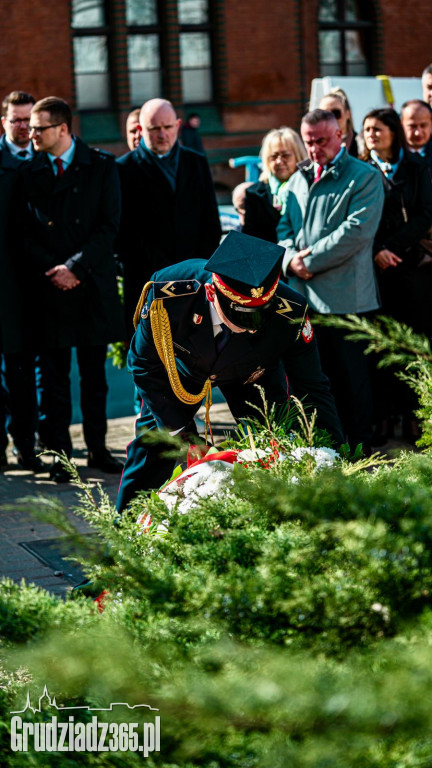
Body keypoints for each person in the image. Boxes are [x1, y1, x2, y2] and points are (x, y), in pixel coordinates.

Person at [116, 231, 344, 512]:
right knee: (153, 446)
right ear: (211, 293)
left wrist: (337, 455)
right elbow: (143, 364)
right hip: (182, 372)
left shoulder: (291, 313)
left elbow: (313, 387)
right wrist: (183, 433)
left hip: (252, 375)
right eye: (241, 315)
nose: (252, 327)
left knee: (275, 445)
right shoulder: (171, 293)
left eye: (260, 315)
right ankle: (125, 527)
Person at [19, 96, 125, 481]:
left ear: (62, 129)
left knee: (94, 376)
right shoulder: (29, 171)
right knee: (52, 380)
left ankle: (98, 449)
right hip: (49, 287)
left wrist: (75, 267)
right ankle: (60, 456)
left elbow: (109, 227)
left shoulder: (101, 165)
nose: (30, 134)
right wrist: (56, 270)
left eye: (38, 128)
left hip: (91, 284)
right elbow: (24, 232)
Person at [277, 108, 384, 453]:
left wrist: (306, 261)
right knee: (313, 383)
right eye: (308, 142)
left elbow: (356, 232)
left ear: (341, 135)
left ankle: (360, 450)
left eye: (321, 141)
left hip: (347, 298)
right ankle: (325, 449)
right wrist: (289, 259)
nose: (314, 149)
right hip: (304, 299)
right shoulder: (298, 178)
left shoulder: (364, 176)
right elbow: (284, 226)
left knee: (352, 383)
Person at [116, 98, 221, 339]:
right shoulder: (122, 169)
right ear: (141, 129)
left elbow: (210, 222)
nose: (162, 134)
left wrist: (195, 269)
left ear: (178, 126)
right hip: (147, 284)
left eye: (167, 127)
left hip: (195, 282)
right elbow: (125, 232)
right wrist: (167, 272)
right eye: (155, 128)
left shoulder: (196, 162)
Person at [362, 107, 432, 443]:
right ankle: (385, 418)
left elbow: (425, 214)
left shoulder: (416, 167)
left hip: (411, 266)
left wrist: (392, 247)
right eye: (366, 130)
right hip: (375, 269)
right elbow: (360, 218)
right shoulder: (362, 168)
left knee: (412, 343)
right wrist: (377, 249)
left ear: (393, 132)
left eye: (377, 129)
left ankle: (414, 415)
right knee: (380, 345)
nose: (371, 135)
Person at [0, 90, 42, 472]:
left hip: (37, 287)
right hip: (3, 287)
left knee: (25, 375)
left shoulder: (47, 159)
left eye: (30, 120)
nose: (24, 127)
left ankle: (27, 447)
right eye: (17, 120)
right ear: (4, 122)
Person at [243, 127, 306, 243]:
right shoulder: (254, 194)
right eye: (274, 156)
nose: (279, 161)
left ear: (298, 156)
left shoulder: (310, 188)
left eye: (285, 155)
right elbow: (250, 239)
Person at [319, 88, 364, 158]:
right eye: (324, 114)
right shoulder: (314, 145)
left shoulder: (361, 144)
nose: (331, 119)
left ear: (348, 114)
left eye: (336, 113)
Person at [400, 99, 432, 166]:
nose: (418, 133)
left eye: (423, 125)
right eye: (412, 126)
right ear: (401, 125)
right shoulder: (390, 155)